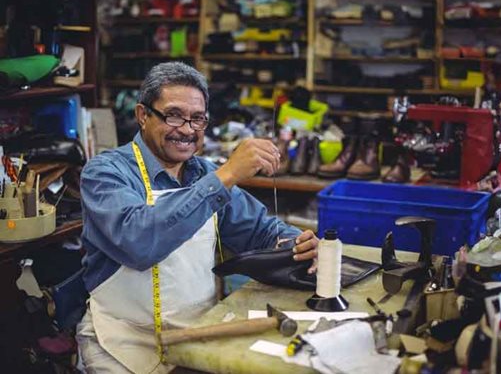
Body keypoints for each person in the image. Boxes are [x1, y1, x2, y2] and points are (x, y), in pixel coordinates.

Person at [75, 62, 318, 373]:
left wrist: (296, 242)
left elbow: (260, 231)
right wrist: (226, 175)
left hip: (198, 332)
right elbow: (138, 241)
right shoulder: (106, 172)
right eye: (174, 115)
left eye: (198, 118)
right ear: (143, 115)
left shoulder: (203, 173)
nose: (188, 130)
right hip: (121, 341)